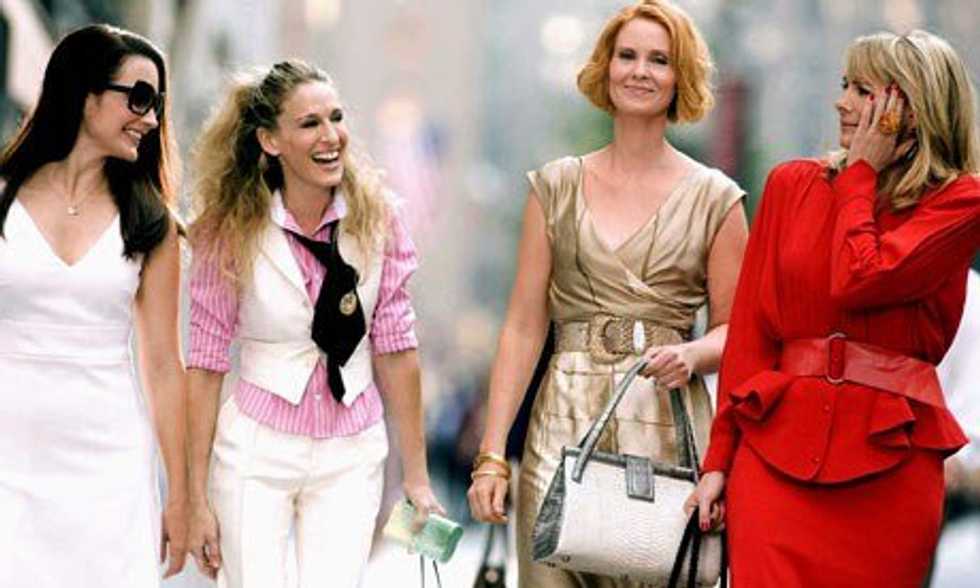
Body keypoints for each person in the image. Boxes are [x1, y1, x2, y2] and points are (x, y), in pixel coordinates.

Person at [466, 2, 749, 585]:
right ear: (606, 66)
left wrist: (693, 354)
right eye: (627, 56)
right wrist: (492, 456)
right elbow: (523, 326)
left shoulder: (717, 200)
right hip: (560, 424)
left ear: (681, 76)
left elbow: (739, 332)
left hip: (667, 428)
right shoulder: (554, 186)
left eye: (659, 60)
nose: (640, 71)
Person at [691, 30, 980, 586]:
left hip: (889, 477)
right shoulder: (790, 185)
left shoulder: (960, 203)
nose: (841, 102)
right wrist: (717, 463)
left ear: (912, 111)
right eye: (845, 85)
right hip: (772, 465)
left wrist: (860, 175)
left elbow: (861, 277)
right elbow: (750, 337)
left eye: (864, 92)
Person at [185, 60, 443, 588]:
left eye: (336, 118)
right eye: (310, 123)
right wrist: (193, 497)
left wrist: (416, 478)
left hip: (352, 449)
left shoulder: (380, 219)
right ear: (270, 140)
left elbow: (397, 348)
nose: (331, 136)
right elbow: (206, 365)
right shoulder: (228, 228)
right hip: (256, 447)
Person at [0, 24, 188, 587]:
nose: (150, 119)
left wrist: (181, 495)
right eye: (139, 97)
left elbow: (164, 366)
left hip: (108, 458)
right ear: (85, 94)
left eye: (157, 104)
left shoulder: (151, 224)